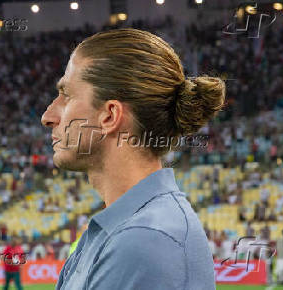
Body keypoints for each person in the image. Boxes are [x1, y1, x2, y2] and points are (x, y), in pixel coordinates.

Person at [41, 28, 225, 289]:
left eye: (67, 95)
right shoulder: (127, 229)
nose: (48, 116)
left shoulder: (144, 239)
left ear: (109, 116)